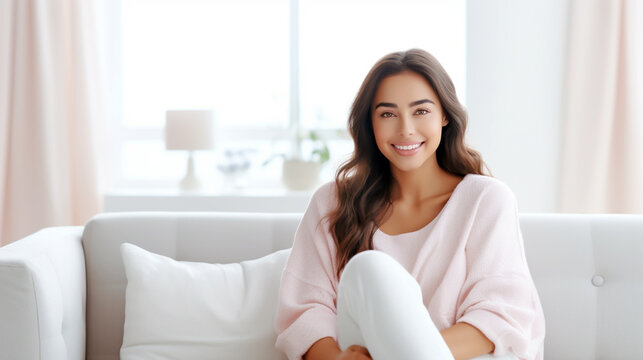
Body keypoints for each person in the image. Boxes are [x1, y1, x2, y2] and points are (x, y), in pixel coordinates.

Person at [274, 49, 545, 360]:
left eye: (421, 111)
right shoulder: (332, 203)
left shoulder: (485, 200)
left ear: (444, 115)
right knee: (368, 268)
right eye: (388, 114)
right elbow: (306, 311)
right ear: (370, 123)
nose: (405, 129)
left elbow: (499, 315)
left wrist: (395, 354)